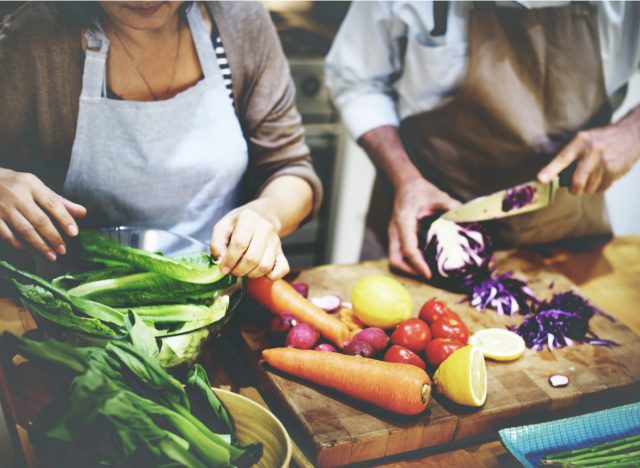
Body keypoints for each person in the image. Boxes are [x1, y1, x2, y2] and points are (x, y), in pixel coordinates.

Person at [0, 1, 322, 280]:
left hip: (217, 303)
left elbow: (291, 169)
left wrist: (267, 213)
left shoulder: (239, 22)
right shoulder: (35, 38)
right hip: (78, 314)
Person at [325, 1, 640, 279]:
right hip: (421, 226)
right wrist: (406, 179)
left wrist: (631, 132)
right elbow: (356, 82)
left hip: (564, 233)